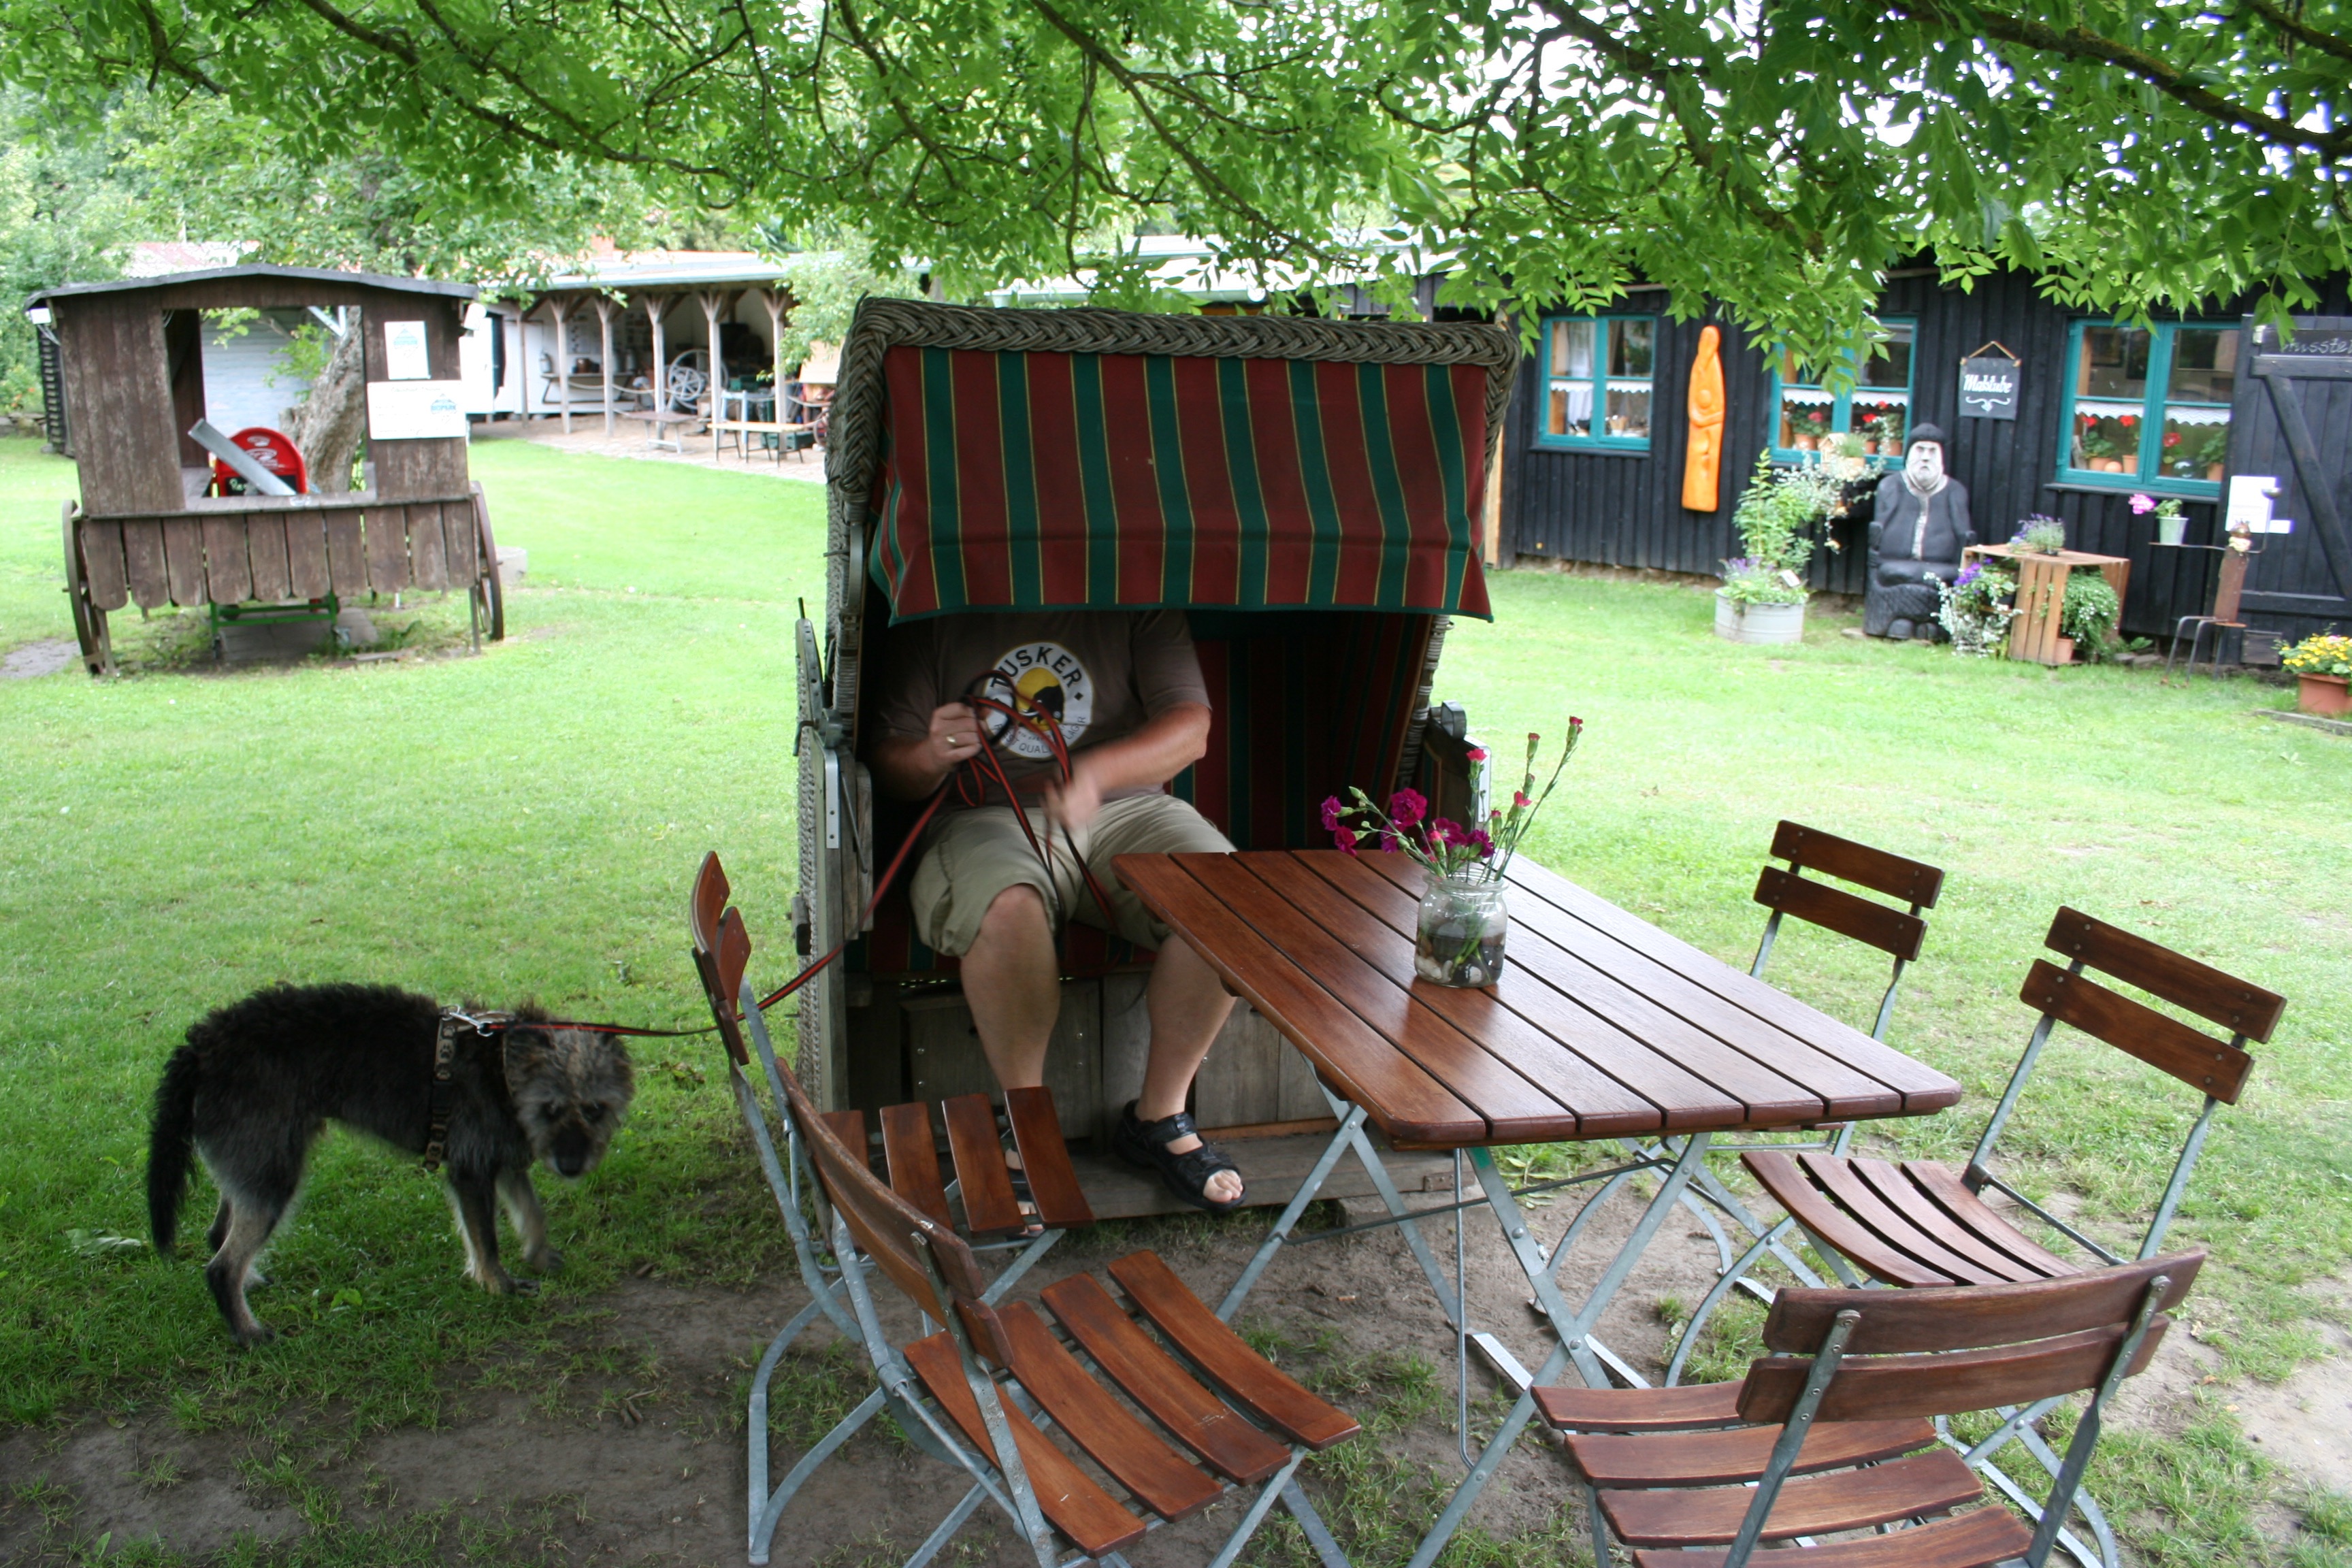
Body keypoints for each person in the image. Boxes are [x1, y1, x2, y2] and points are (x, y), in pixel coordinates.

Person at [868, 610, 1247, 1213]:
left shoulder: (1137, 595)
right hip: (987, 814)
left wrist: (1095, 774)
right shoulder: (936, 606)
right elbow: (893, 769)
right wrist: (932, 753)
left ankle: (1160, 1117)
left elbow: (1190, 729)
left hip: (1128, 809)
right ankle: (1026, 1128)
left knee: (1226, 898)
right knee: (1007, 905)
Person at [1867, 423, 1976, 640]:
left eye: (1932, 451)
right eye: (1920, 450)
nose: (1925, 458)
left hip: (1941, 565)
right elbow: (1879, 525)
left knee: (1935, 578)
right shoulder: (1891, 485)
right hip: (1894, 562)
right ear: (1909, 453)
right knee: (1898, 575)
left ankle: (1933, 626)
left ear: (1941, 456)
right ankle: (1896, 623)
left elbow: (1964, 532)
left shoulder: (1954, 490)